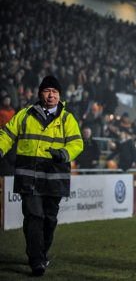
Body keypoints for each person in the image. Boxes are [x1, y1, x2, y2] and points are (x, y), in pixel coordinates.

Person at [0, 75, 83, 276]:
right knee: (34, 217)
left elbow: (77, 143)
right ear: (40, 94)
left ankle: (41, 253)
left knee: (49, 220)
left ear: (60, 96)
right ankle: (36, 259)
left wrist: (63, 154)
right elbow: (7, 135)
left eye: (55, 91)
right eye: (47, 91)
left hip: (54, 179)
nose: (51, 94)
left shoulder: (67, 118)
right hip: (29, 178)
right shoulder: (25, 114)